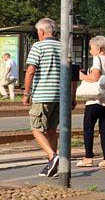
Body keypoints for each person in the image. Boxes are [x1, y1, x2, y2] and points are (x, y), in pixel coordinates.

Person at [23, 18, 75, 177]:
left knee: (36, 129)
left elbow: (31, 71)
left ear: (41, 31)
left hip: (42, 95)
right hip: (61, 96)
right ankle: (52, 166)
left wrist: (26, 93)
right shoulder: (65, 47)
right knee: (52, 129)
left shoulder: (38, 46)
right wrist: (72, 97)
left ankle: (53, 156)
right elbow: (73, 76)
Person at [77, 36, 105, 168]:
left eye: (91, 48)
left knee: (88, 128)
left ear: (99, 48)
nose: (90, 51)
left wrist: (81, 76)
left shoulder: (97, 59)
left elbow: (95, 77)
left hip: (95, 100)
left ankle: (88, 157)